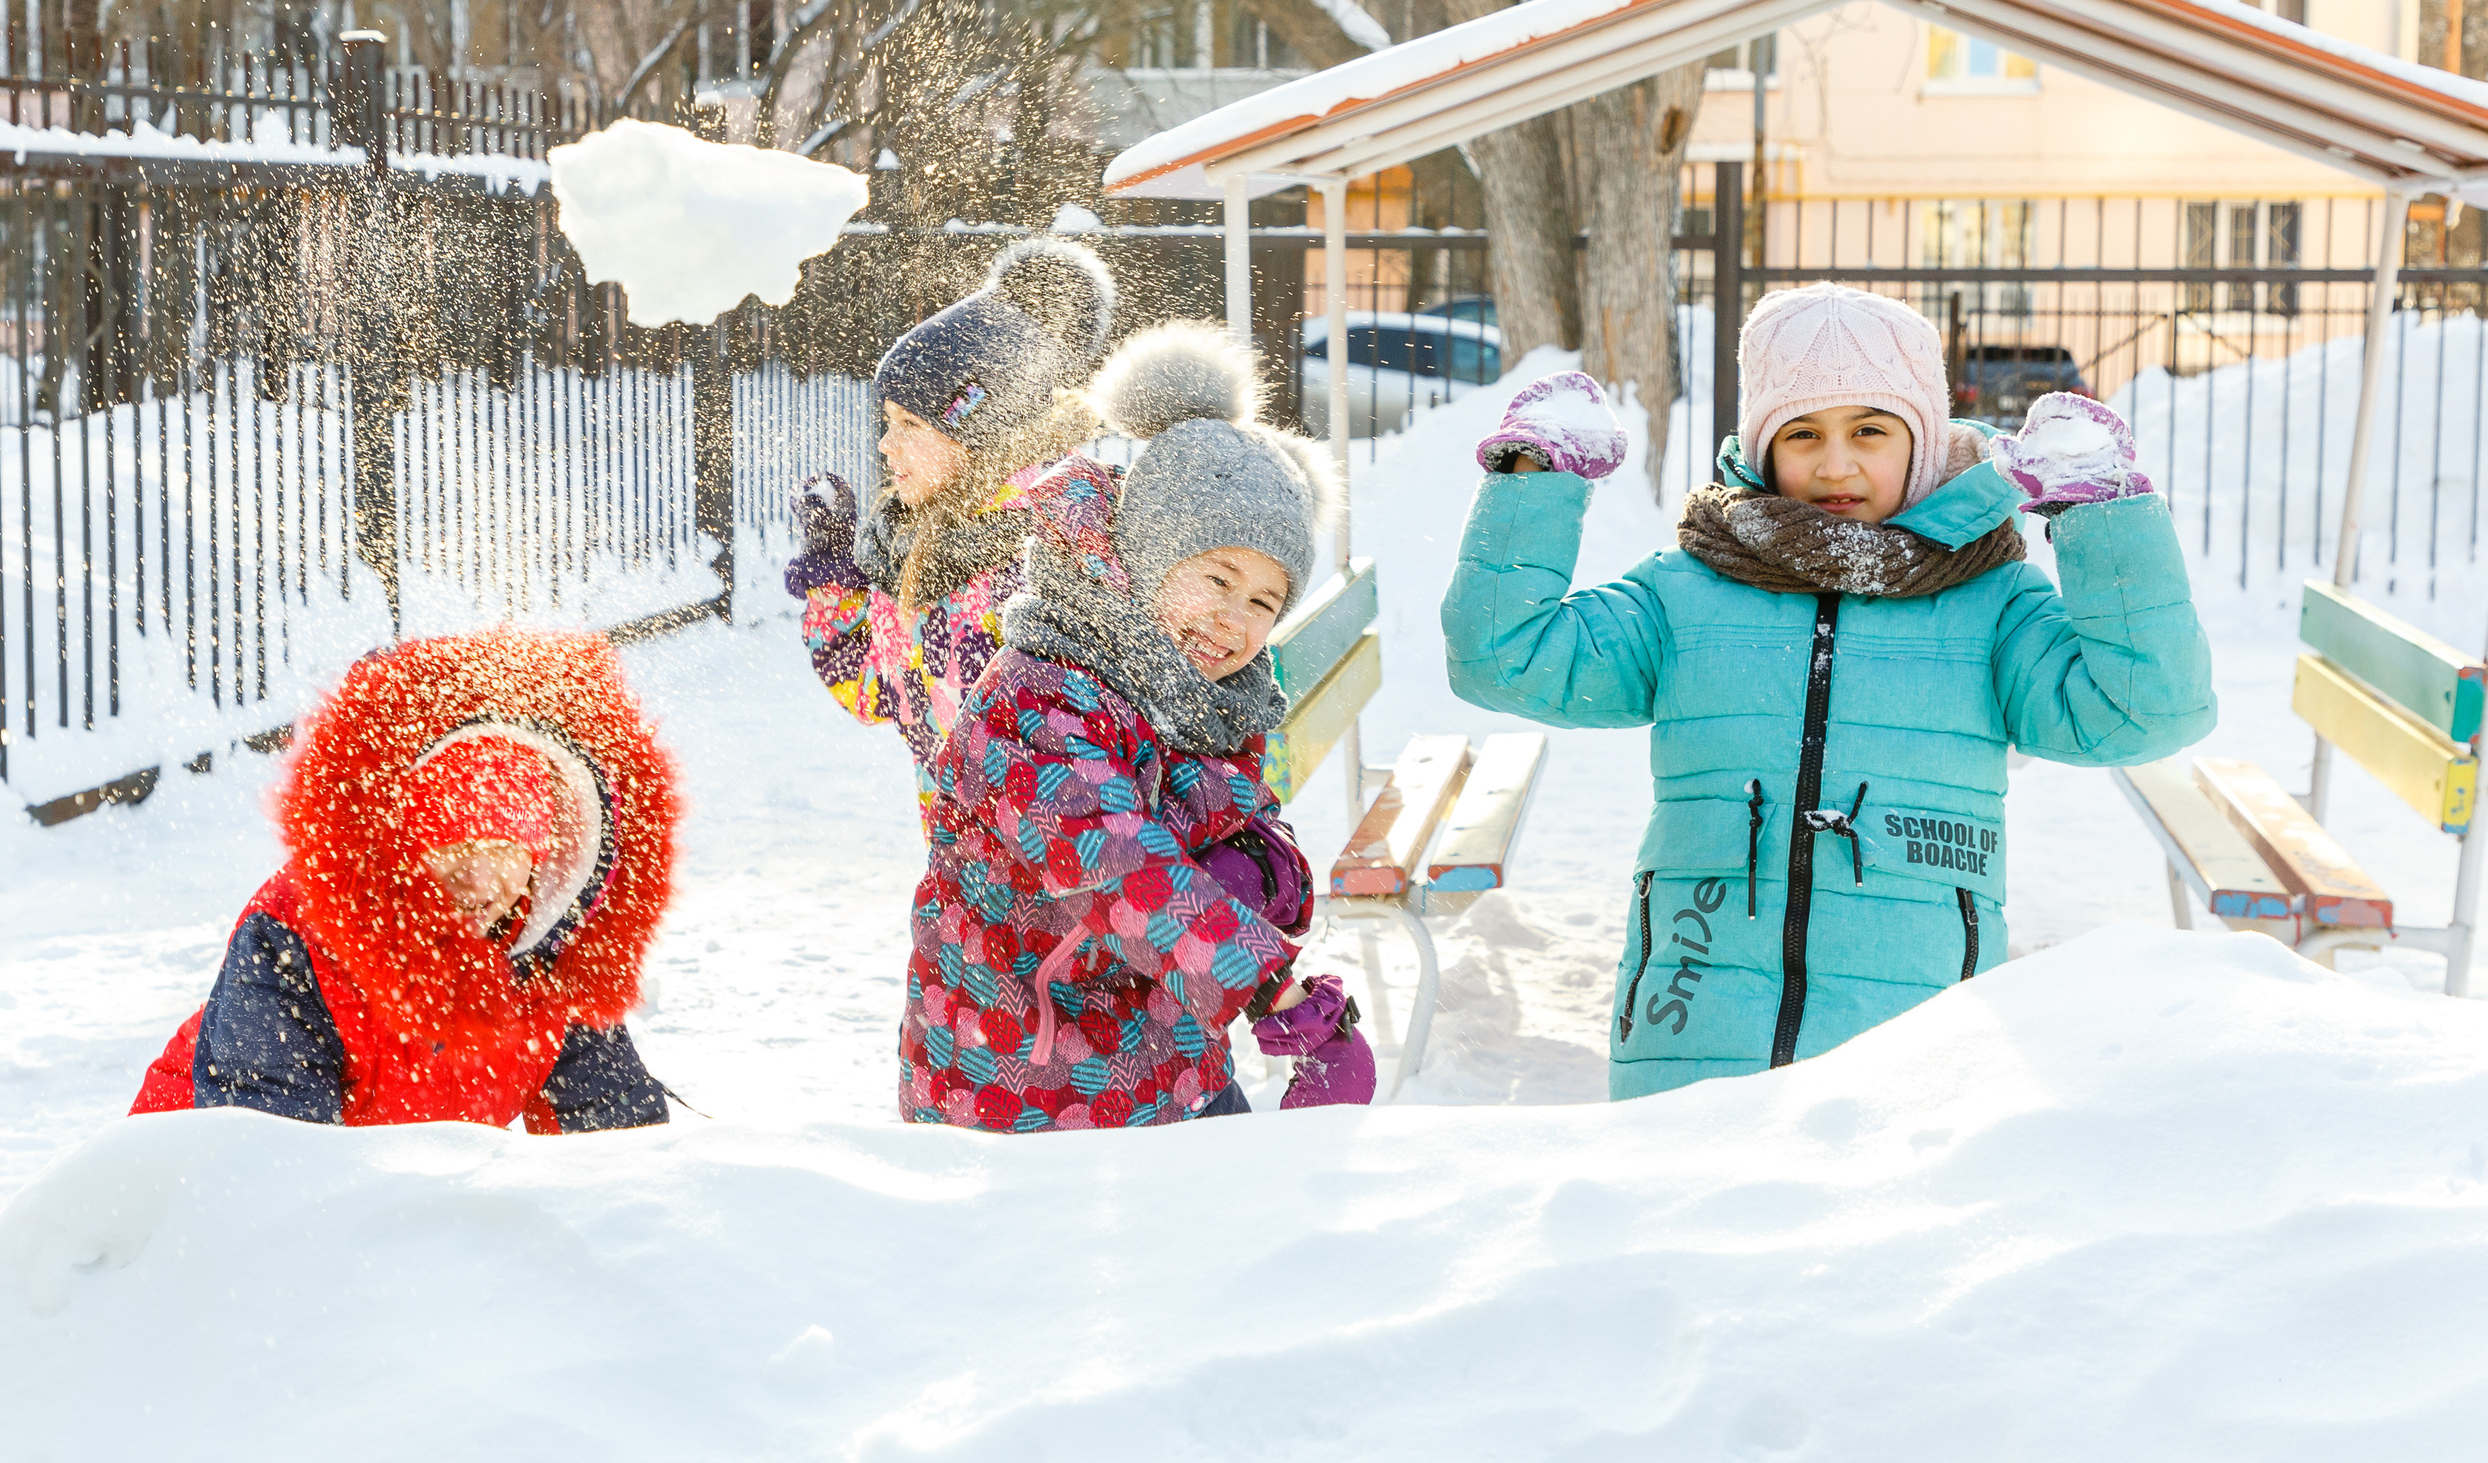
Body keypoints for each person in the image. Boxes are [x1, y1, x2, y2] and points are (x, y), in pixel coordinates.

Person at [1441, 283, 2215, 1100]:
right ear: (1762, 444)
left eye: (1869, 430)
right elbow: (1501, 657)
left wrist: (2104, 515)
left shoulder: (1993, 606)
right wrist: (1534, 478)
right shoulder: (1686, 593)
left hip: (1916, 1064)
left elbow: (2149, 710)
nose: (1835, 463)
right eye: (1803, 432)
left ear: (1922, 440)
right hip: (1695, 1041)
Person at [899, 321, 1373, 1131]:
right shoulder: (1038, 696)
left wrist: (1263, 863)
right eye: (1217, 577)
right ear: (1150, 554)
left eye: (1264, 601)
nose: (1234, 619)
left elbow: (1230, 809)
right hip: (1026, 1088)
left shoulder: (1198, 693)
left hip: (1163, 1055)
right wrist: (1279, 993)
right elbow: (1119, 869)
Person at [130, 628, 678, 1131]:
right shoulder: (291, 943)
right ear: (389, 849)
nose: (481, 881)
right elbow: (272, 1164)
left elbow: (613, 1140)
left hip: (399, 1196)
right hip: (177, 1185)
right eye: (449, 848)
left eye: (505, 848)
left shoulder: (552, 949)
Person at [787, 237, 1117, 807]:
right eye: (888, 422)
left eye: (911, 424)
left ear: (979, 428)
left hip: (1068, 851)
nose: (886, 445)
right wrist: (834, 575)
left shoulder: (1053, 550)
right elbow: (874, 692)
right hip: (960, 854)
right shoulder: (913, 545)